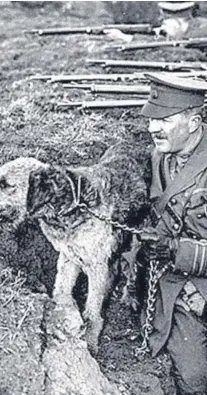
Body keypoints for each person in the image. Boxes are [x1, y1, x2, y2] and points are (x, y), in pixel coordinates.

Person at [138, 73, 207, 395]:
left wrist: (179, 252)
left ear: (194, 122)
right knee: (194, 380)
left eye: (164, 119)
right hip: (179, 289)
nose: (153, 128)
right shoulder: (159, 157)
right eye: (152, 119)